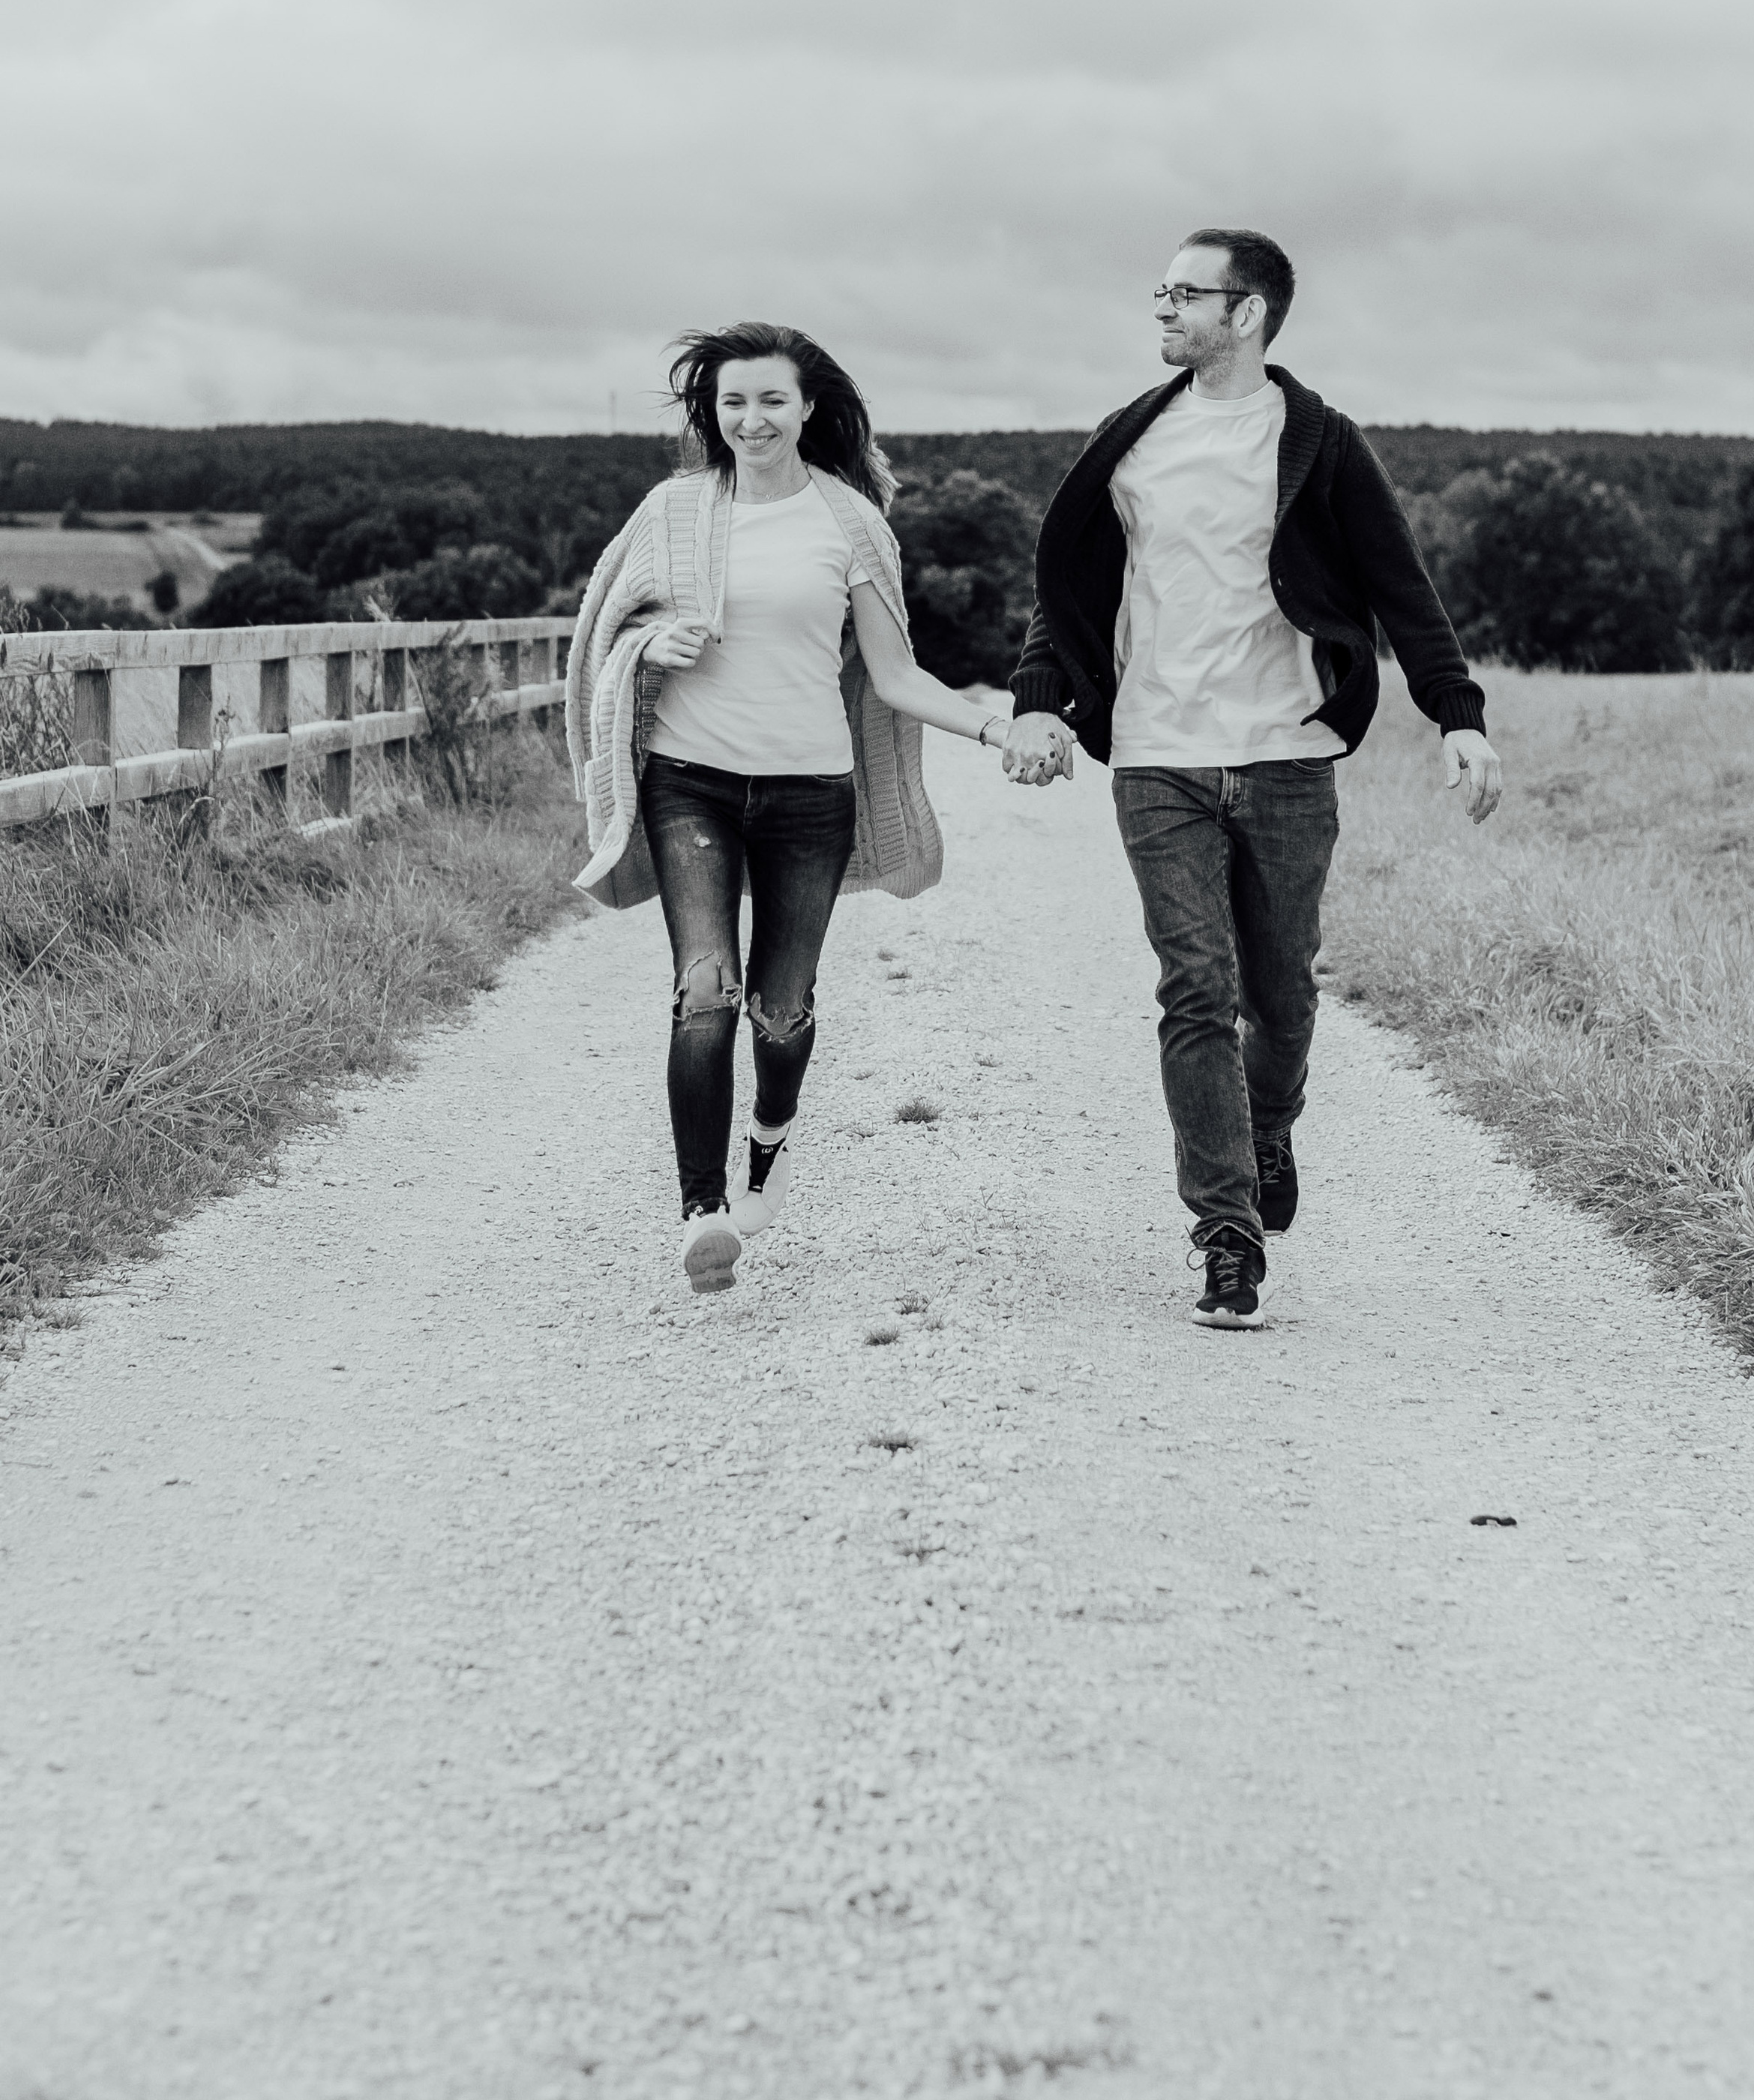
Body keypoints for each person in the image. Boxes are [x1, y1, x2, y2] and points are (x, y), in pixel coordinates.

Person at [1001, 228, 1502, 1332]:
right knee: (1196, 989)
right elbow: (1071, 590)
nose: (1163, 309)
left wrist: (1457, 716)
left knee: (1281, 995)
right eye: (1161, 290)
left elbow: (1402, 588)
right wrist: (1039, 696)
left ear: (1248, 314)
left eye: (1187, 294)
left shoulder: (1321, 443)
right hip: (1157, 753)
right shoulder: (1131, 441)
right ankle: (1226, 1234)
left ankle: (1268, 1126)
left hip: (1287, 755)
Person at [566, 322, 1018, 1294]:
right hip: (688, 781)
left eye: (772, 399)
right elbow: (604, 628)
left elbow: (895, 675)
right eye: (733, 401)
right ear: (713, 411)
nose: (752, 419)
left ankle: (770, 1137)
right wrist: (648, 649)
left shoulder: (850, 523)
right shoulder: (673, 510)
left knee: (782, 1010)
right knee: (705, 989)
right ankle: (702, 1213)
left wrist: (996, 728)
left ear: (808, 408)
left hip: (811, 795)